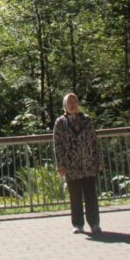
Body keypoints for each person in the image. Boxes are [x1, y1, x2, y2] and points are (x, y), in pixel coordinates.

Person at [53, 92, 103, 235]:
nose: (73, 105)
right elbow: (57, 145)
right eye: (70, 103)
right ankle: (78, 224)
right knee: (75, 197)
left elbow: (94, 142)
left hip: (88, 164)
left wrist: (98, 161)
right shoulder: (60, 122)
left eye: (75, 101)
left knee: (91, 195)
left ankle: (94, 224)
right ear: (65, 106)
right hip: (71, 165)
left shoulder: (87, 120)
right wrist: (60, 165)